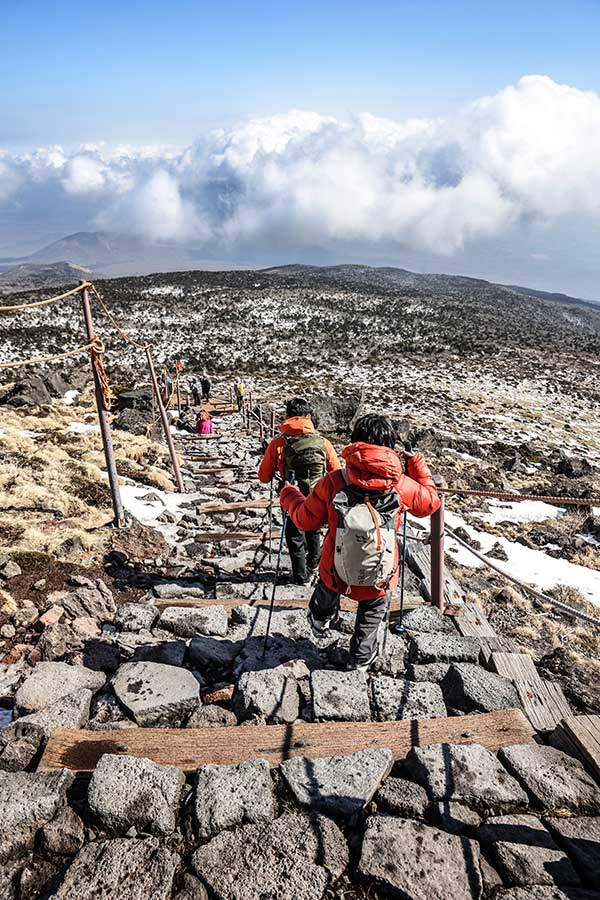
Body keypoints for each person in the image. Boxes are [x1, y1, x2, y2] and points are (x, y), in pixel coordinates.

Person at [280, 414, 440, 670]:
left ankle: (320, 619)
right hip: (380, 573)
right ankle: (361, 658)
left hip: (335, 570)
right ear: (391, 447)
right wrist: (417, 463)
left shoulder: (335, 481)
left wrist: (289, 495)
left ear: (354, 443)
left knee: (327, 589)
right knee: (373, 610)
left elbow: (306, 520)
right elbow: (431, 502)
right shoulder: (400, 484)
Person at [259, 398, 340, 585]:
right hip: (318, 496)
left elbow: (264, 477)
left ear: (287, 416)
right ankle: (314, 565)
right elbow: (336, 473)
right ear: (308, 416)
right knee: (314, 529)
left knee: (295, 536)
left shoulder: (279, 443)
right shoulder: (323, 443)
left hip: (291, 496)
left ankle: (300, 578)